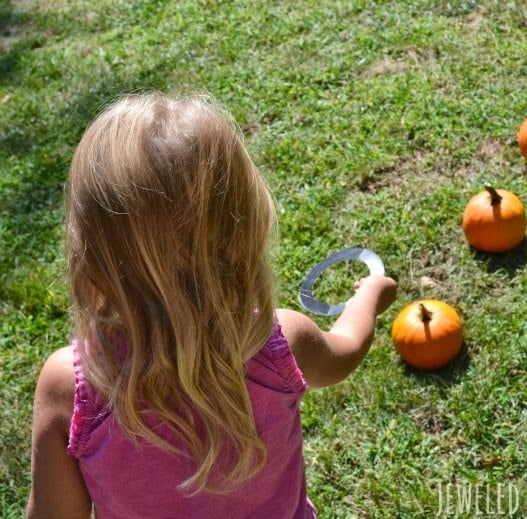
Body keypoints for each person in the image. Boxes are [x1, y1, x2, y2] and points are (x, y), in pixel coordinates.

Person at [26, 93, 398, 518]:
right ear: (243, 232)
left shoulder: (74, 387)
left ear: (90, 251)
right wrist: (369, 294)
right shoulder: (277, 344)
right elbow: (345, 349)